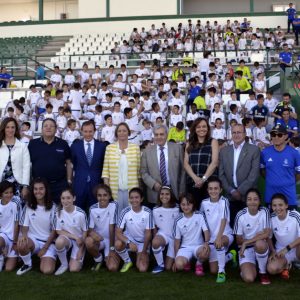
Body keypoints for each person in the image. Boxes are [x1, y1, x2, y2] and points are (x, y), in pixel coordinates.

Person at [219, 124, 260, 226]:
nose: (236, 135)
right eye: (234, 132)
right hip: (230, 196)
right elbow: (221, 174)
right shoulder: (224, 151)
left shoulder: (254, 150)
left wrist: (240, 191)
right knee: (232, 225)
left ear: (245, 134)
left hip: (248, 196)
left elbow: (253, 174)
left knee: (249, 227)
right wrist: (232, 191)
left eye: (239, 132)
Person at [16, 178, 57, 275]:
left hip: (48, 243)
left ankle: (46, 259)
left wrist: (45, 248)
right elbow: (24, 226)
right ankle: (27, 264)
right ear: (32, 190)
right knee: (21, 243)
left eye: (41, 189)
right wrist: (24, 236)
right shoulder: (28, 205)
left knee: (47, 270)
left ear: (46, 190)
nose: (38, 191)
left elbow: (54, 231)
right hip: (34, 240)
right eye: (36, 189)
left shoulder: (54, 207)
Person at [200, 178, 236, 283]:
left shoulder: (224, 201)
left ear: (220, 190)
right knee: (212, 270)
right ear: (207, 190)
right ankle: (230, 255)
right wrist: (206, 241)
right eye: (210, 189)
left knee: (219, 244)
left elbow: (223, 219)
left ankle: (222, 272)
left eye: (216, 188)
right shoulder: (204, 203)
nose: (213, 191)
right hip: (211, 239)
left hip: (225, 235)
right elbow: (202, 221)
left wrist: (219, 237)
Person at [28, 118, 72, 204]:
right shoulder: (33, 144)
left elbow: (68, 163)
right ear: (42, 129)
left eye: (51, 126)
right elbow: (27, 164)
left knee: (59, 211)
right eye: (45, 126)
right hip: (39, 186)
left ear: (56, 129)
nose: (48, 128)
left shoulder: (63, 144)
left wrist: (69, 180)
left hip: (59, 185)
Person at [233, 188, 271, 285]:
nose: (252, 202)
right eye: (249, 199)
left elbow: (266, 234)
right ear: (246, 201)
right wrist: (257, 237)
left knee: (260, 244)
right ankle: (248, 268)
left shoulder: (265, 211)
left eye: (255, 199)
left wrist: (246, 242)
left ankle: (262, 272)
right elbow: (238, 240)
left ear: (259, 201)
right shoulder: (240, 215)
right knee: (249, 279)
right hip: (246, 250)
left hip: (260, 246)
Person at [141, 125, 185, 206]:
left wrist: (181, 191)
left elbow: (182, 170)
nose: (159, 137)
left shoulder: (177, 148)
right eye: (156, 135)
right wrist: (153, 184)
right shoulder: (147, 152)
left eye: (162, 134)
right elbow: (143, 172)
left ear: (167, 135)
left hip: (174, 192)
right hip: (155, 193)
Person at [102, 123, 141, 214]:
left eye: (124, 131)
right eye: (119, 131)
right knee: (116, 216)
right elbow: (105, 171)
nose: (122, 133)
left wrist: (139, 190)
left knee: (131, 215)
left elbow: (139, 171)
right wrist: (107, 190)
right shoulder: (109, 148)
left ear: (128, 133)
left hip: (131, 189)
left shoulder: (135, 148)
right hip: (115, 190)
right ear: (116, 134)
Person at [260, 124, 300, 209]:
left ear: (285, 136)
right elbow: (262, 171)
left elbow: (299, 173)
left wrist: (289, 182)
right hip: (270, 196)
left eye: (279, 135)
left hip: (289, 197)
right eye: (273, 135)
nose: (276, 137)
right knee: (270, 221)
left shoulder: (294, 153)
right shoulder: (265, 152)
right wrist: (272, 180)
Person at [115, 187, 154, 273]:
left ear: (141, 199)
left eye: (136, 197)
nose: (134, 200)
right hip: (130, 240)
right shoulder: (125, 211)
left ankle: (139, 255)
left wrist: (144, 251)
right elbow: (118, 232)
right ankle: (127, 261)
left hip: (142, 243)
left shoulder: (147, 212)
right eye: (131, 198)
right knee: (118, 244)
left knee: (142, 269)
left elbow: (148, 234)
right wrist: (128, 242)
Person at [70, 121, 106, 211]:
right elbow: (73, 163)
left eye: (90, 131)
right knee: (78, 210)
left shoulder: (102, 146)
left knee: (96, 211)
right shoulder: (75, 146)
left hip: (96, 183)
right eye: (85, 131)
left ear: (94, 131)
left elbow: (103, 164)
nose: (88, 134)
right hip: (79, 183)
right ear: (82, 131)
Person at [184, 118, 218, 207]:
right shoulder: (189, 143)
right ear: (194, 129)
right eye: (198, 127)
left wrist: (203, 179)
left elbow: (214, 162)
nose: (201, 129)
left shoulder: (213, 142)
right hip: (192, 183)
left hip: (209, 185)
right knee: (194, 211)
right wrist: (195, 179)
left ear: (208, 128)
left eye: (204, 126)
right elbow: (186, 163)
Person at [173, 194, 210, 276]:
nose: (186, 207)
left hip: (198, 246)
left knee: (206, 251)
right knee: (179, 265)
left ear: (193, 204)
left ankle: (199, 264)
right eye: (183, 204)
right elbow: (177, 241)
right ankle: (187, 262)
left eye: (189, 204)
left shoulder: (200, 215)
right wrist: (176, 259)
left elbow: (206, 231)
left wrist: (206, 243)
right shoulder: (178, 220)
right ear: (180, 205)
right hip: (185, 248)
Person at [85, 184, 119, 272]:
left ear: (109, 196)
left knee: (112, 268)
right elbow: (90, 229)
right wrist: (93, 234)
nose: (102, 198)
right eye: (99, 195)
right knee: (88, 241)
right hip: (100, 240)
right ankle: (98, 259)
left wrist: (112, 249)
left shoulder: (114, 205)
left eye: (105, 195)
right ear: (96, 196)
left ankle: (109, 257)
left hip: (112, 240)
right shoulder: (92, 208)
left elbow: (112, 228)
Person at [54, 188, 88, 275]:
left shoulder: (81, 214)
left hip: (79, 242)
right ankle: (64, 264)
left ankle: (77, 259)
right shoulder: (58, 212)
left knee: (74, 269)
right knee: (59, 241)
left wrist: (81, 249)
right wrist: (74, 237)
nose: (65, 201)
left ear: (74, 198)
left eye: (68, 198)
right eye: (63, 198)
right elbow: (58, 231)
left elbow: (85, 232)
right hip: (68, 238)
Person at [267, 193, 300, 280]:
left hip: (296, 248)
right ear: (272, 207)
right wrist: (273, 251)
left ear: (286, 205)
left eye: (280, 205)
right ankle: (287, 265)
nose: (277, 208)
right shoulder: (271, 218)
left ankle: (295, 262)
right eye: (274, 205)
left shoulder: (295, 215)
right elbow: (269, 237)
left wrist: (287, 248)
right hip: (281, 251)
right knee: (271, 269)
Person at [0, 118, 30, 199]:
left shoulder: (22, 146)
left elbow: (26, 167)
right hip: (1, 184)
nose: (10, 130)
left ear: (16, 129)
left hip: (18, 184)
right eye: (7, 127)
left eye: (13, 127)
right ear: (3, 128)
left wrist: (25, 186)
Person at [152, 186, 180, 273]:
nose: (164, 196)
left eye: (167, 194)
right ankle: (160, 264)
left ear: (171, 195)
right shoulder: (155, 209)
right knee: (155, 242)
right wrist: (155, 239)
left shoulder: (177, 208)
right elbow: (154, 227)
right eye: (162, 194)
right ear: (159, 195)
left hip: (175, 238)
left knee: (168, 267)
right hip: (163, 235)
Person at [0, 181, 21, 272]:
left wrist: (15, 243)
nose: (9, 195)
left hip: (15, 237)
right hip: (4, 235)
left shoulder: (15, 202)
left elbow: (17, 224)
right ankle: (1, 256)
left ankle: (17, 256)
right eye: (6, 193)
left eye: (11, 192)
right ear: (1, 194)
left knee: (9, 268)